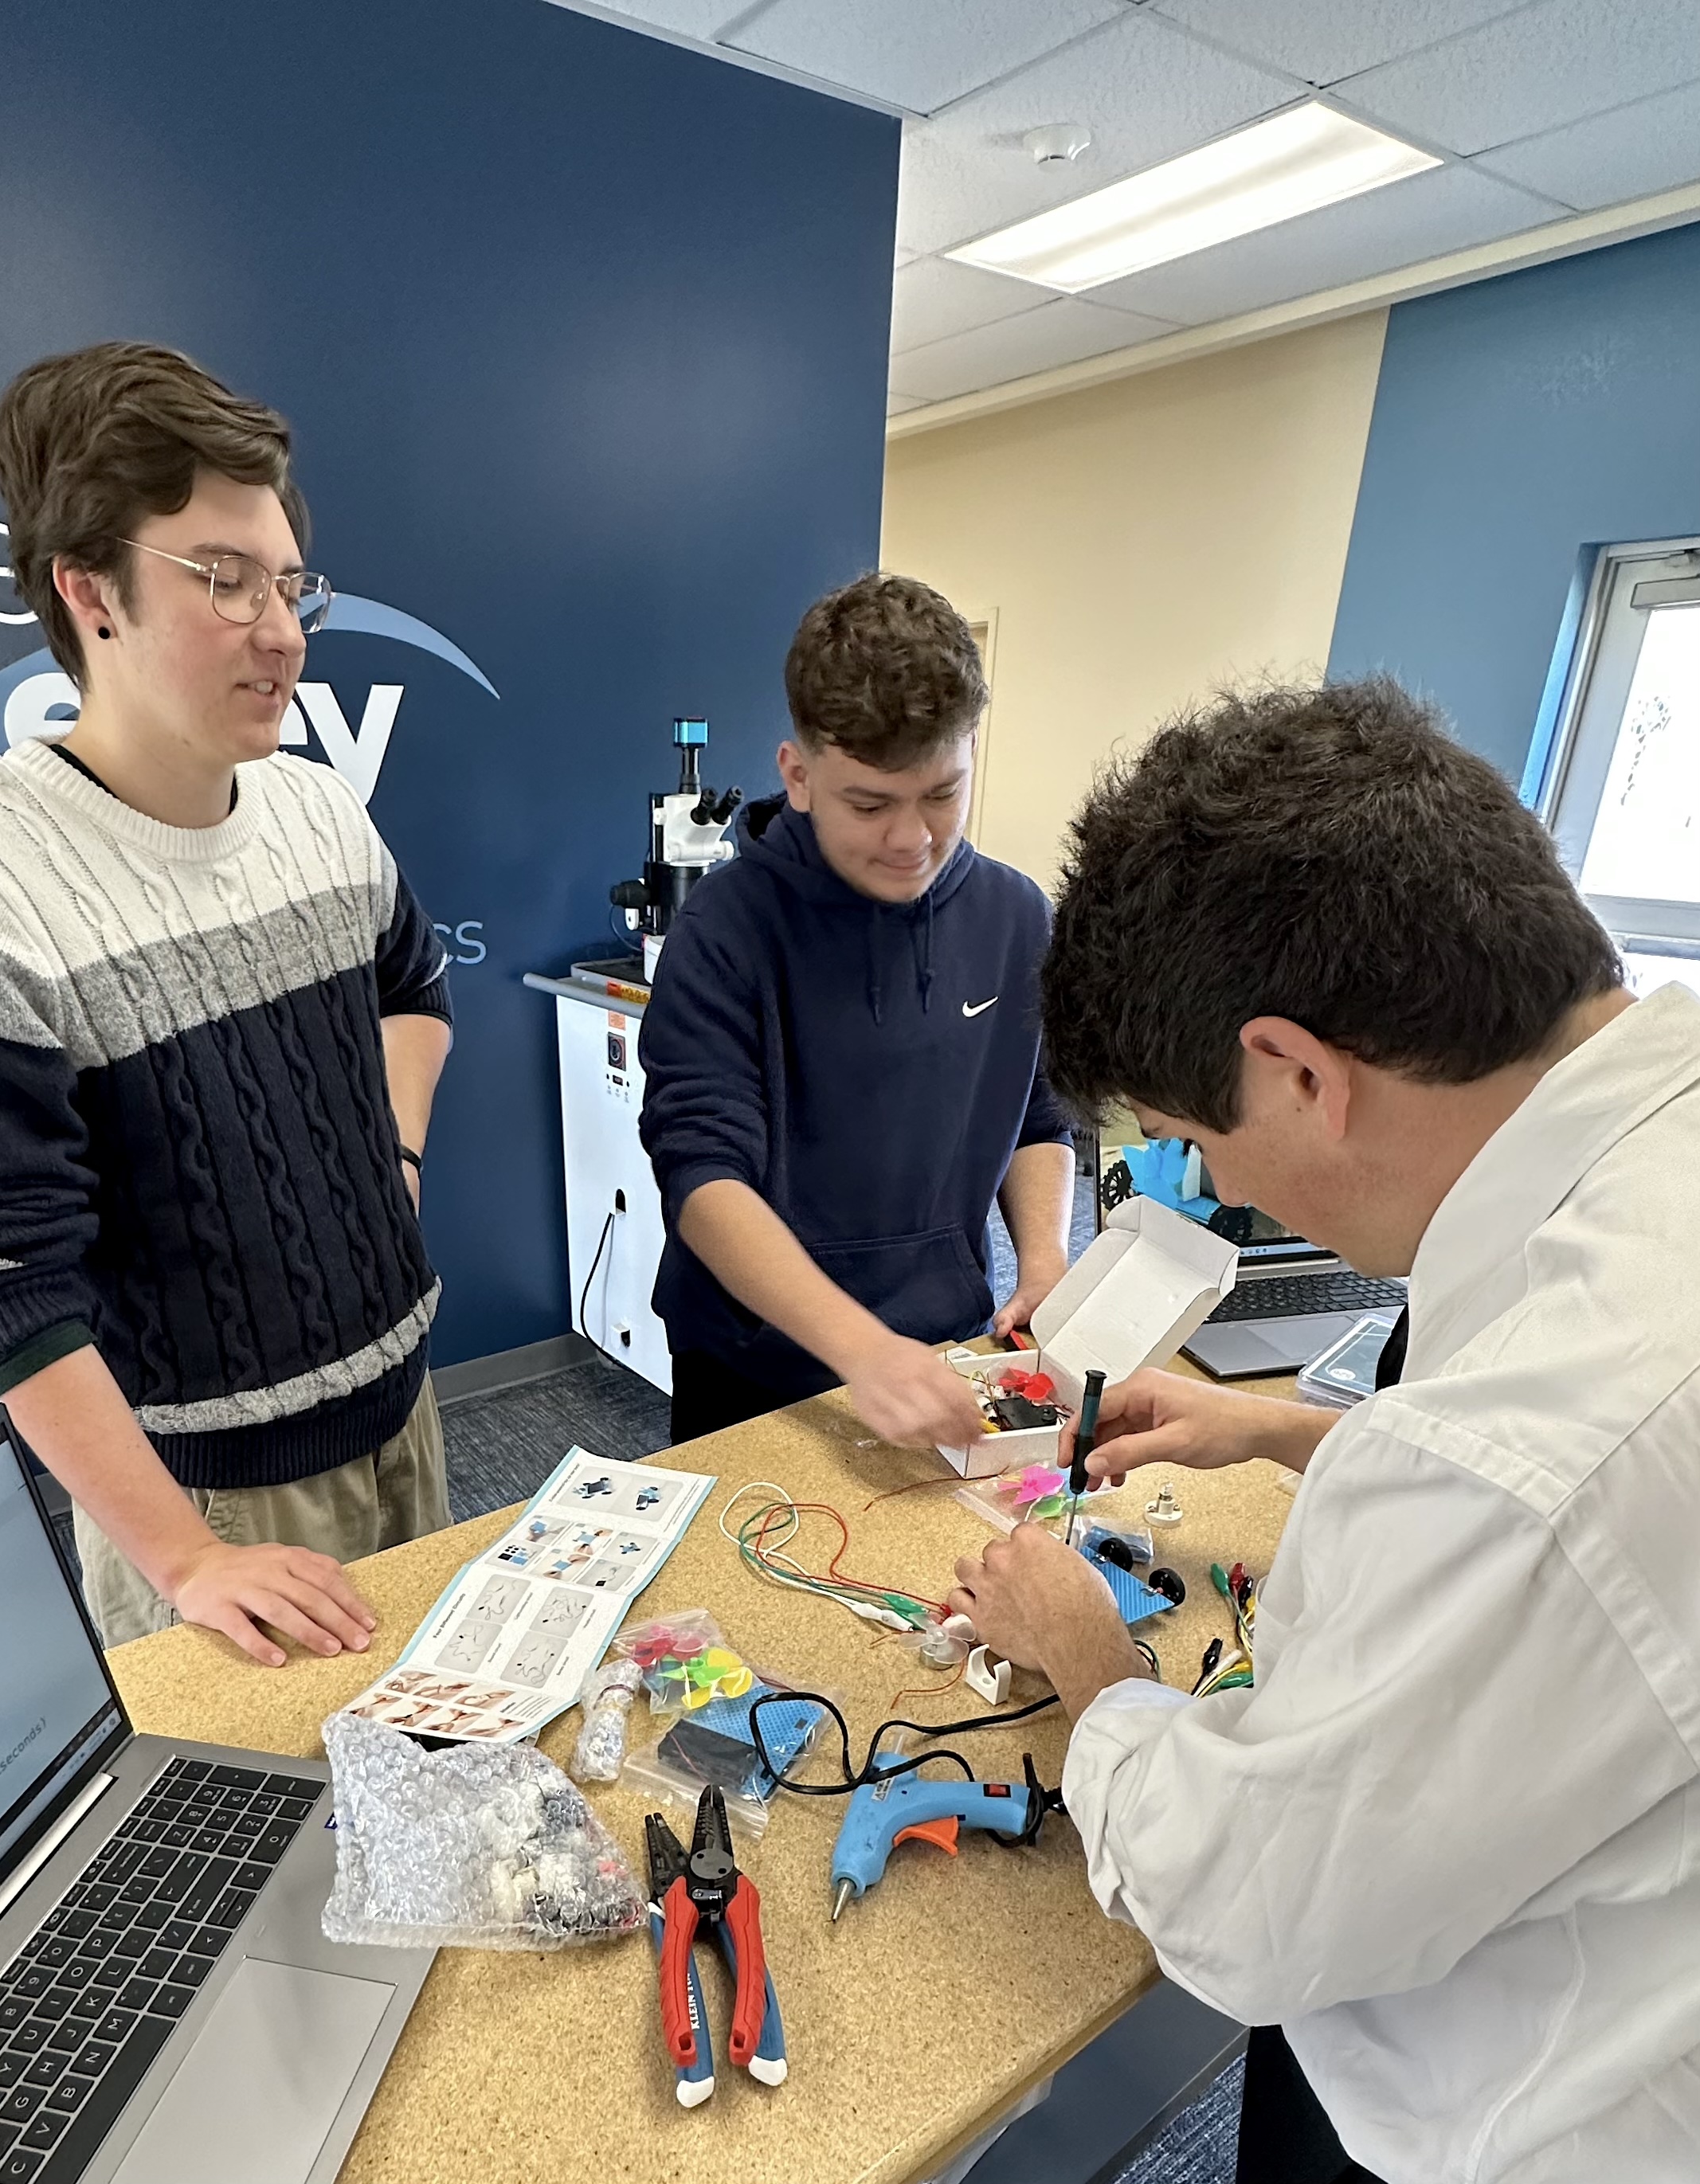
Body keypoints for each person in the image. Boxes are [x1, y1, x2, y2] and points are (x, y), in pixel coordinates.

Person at [946, 679, 1700, 2184]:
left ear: (1298, 1071)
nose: (1223, 1189)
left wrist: (1086, 1654)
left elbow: (1241, 1907)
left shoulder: (1516, 1454)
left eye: (1198, 1142)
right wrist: (1285, 1429)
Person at [0, 342, 453, 1667]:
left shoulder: (316, 807)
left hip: (405, 1416)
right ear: (90, 591)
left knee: (433, 1752)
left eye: (289, 583)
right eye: (223, 579)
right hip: (208, 1498)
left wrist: (396, 1155)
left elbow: (411, 987)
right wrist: (182, 1558)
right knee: (261, 1797)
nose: (282, 629)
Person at [638, 573, 1073, 1449]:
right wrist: (862, 1351)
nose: (911, 839)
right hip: (757, 1367)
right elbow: (701, 1177)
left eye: (941, 794)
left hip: (947, 1346)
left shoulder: (1017, 916)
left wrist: (1045, 1260)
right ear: (798, 776)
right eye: (870, 805)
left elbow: (1037, 1111)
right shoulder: (724, 930)